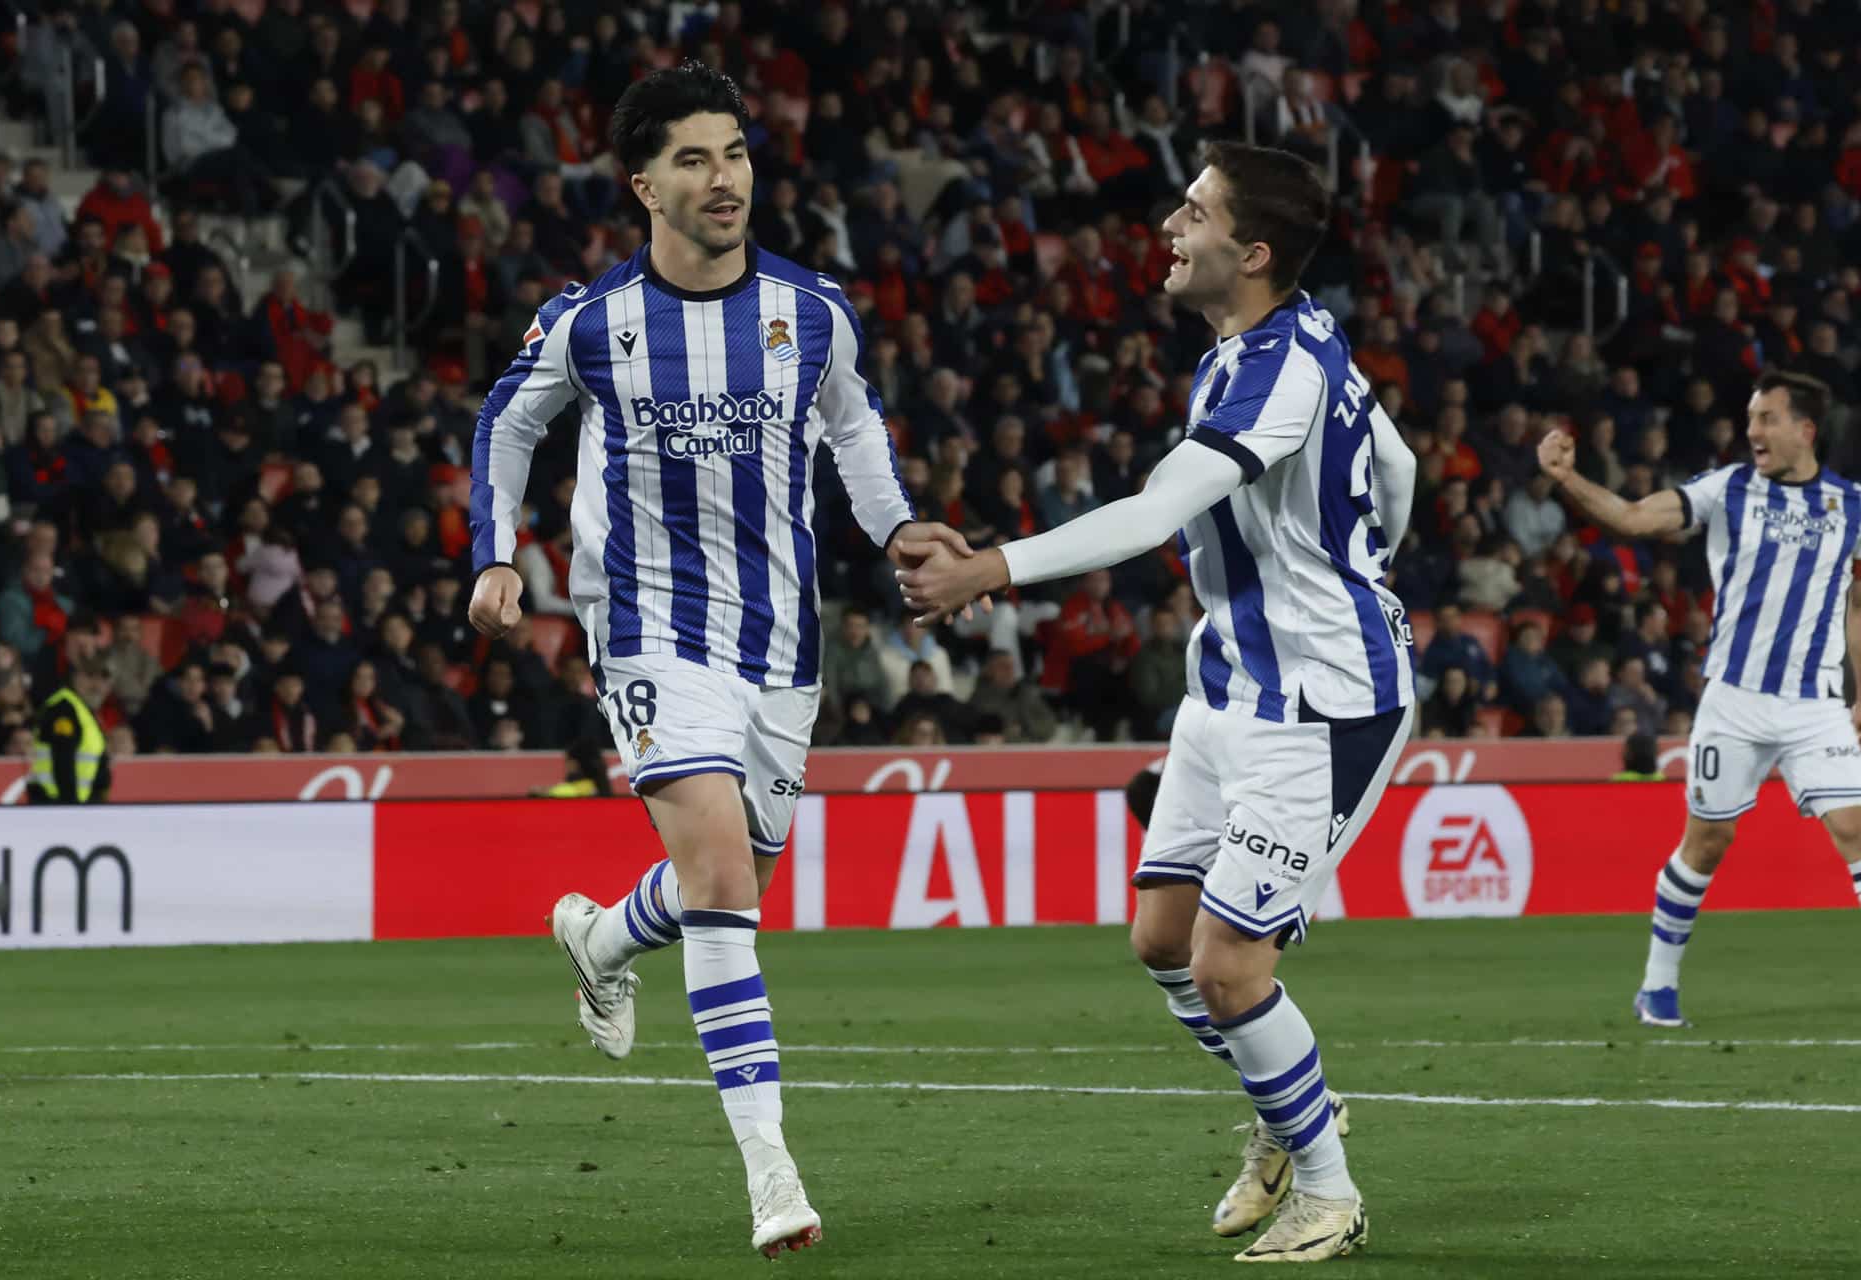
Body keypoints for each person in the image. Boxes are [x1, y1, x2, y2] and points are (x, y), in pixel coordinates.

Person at [462, 62, 972, 1260]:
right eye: (693, 159)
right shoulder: (593, 321)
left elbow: (853, 424)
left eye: (734, 152)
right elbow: (508, 418)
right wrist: (497, 550)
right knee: (724, 887)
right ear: (644, 184)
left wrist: (896, 525)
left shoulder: (814, 311)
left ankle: (598, 940)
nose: (724, 177)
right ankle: (771, 1171)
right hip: (647, 624)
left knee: (730, 878)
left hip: (780, 641)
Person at [899, 142, 1417, 1262]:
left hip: (1321, 702)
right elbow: (1400, 462)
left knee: (1234, 968)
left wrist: (991, 568)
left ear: (1255, 251)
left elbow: (1149, 514)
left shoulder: (1278, 369)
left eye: (1195, 213)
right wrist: (1371, 557)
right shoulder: (1264, 344)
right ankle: (1293, 1114)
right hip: (1228, 682)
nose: (1170, 228)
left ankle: (1327, 1188)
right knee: (1162, 938)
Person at [1537, 368, 1861, 1030]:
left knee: (1856, 827)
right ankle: (1657, 989)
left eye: (1766, 418)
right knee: (1707, 843)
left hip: (1814, 701)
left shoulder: (1850, 505)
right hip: (1733, 701)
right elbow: (1631, 517)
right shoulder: (1728, 489)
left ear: (1805, 428)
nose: (1752, 430)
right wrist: (1567, 479)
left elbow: (1854, 602)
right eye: (1749, 418)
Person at [28, 659, 113, 804]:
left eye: (103, 678)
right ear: (75, 677)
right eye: (90, 675)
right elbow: (63, 759)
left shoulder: (82, 710)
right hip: (55, 804)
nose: (97, 685)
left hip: (71, 805)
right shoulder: (64, 709)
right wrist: (71, 807)